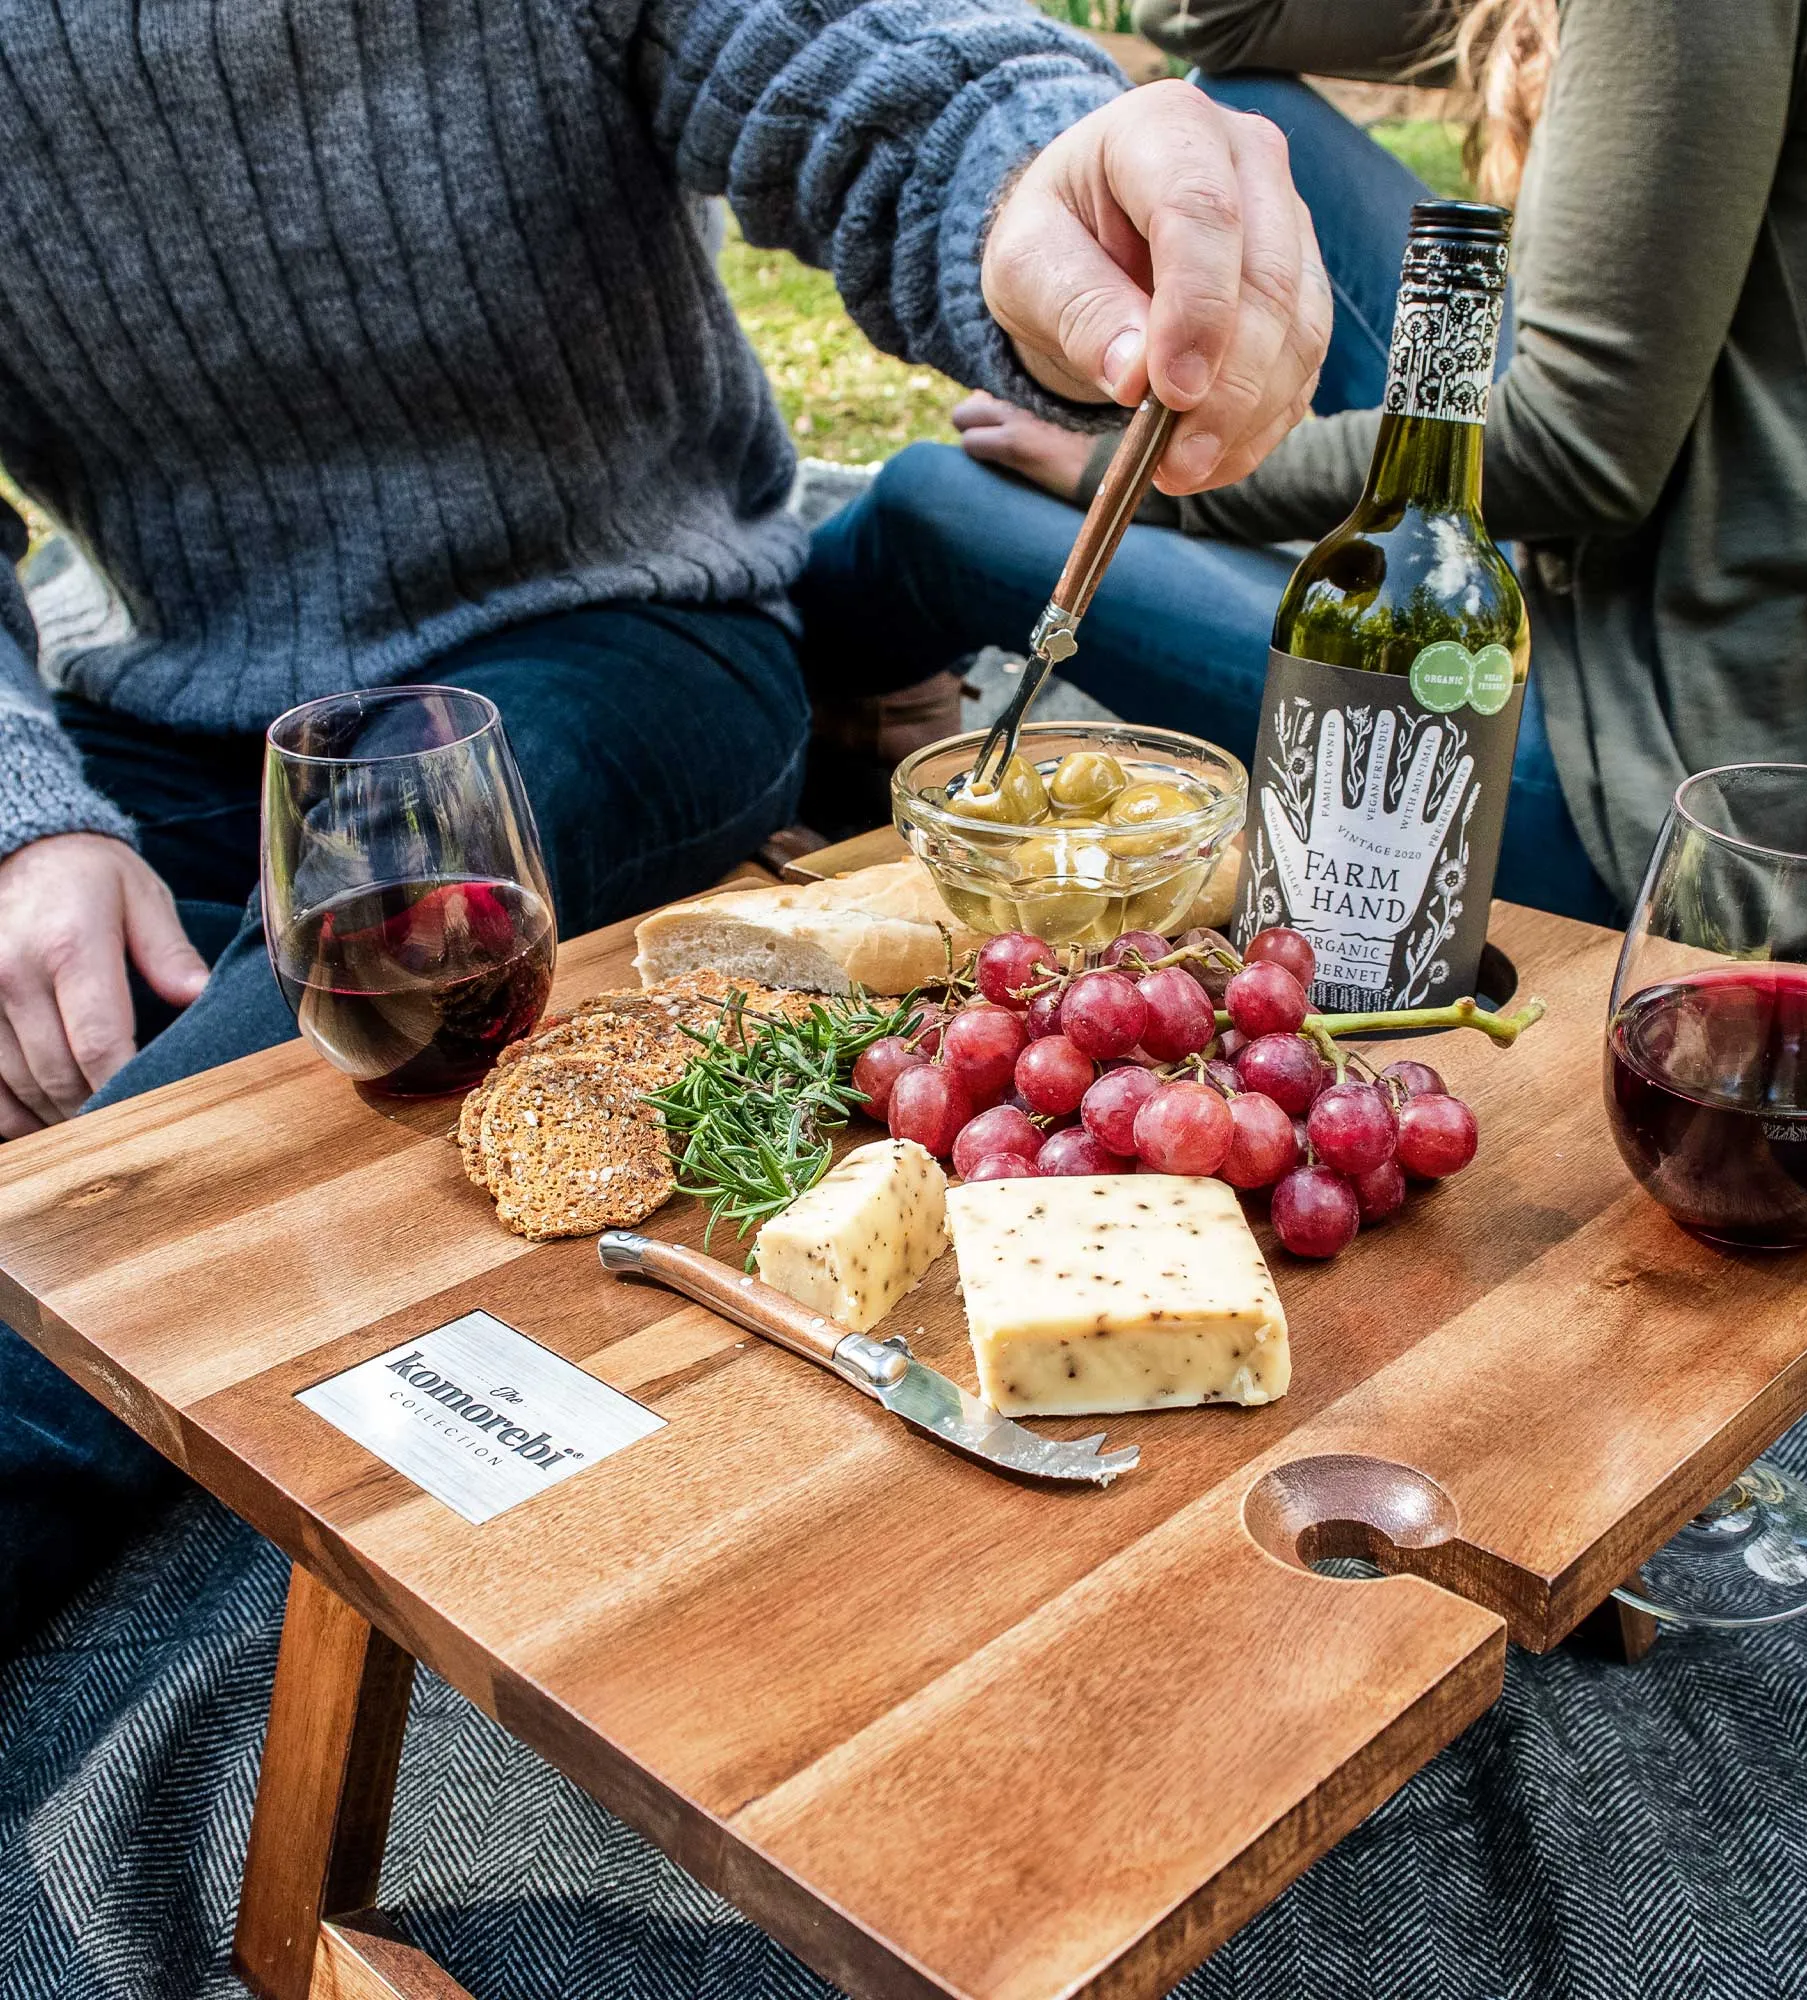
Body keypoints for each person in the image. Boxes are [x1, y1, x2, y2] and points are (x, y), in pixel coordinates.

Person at [0, 0, 1333, 1653]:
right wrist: (20, 819)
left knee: (159, 1162)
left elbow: (863, 67)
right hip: (170, 714)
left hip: (619, 641)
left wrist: (1046, 176)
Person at [798, 0, 1807, 931]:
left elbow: (1571, 450)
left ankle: (823, 732)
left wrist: (1142, 477)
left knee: (927, 504)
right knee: (1244, 120)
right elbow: (1220, 28)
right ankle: (889, 714)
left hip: (1681, 800)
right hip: (1745, 650)